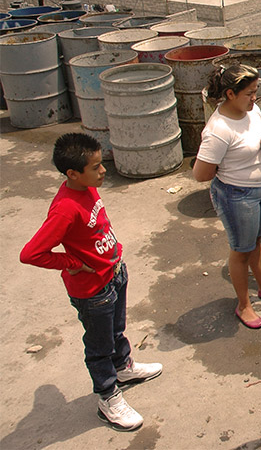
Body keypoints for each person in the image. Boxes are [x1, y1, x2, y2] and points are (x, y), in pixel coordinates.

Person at [20, 133, 163, 432]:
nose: (103, 171)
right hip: (92, 291)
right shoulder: (64, 208)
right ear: (73, 173)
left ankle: (123, 367)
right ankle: (108, 396)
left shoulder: (88, 188)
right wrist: (71, 263)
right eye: (96, 167)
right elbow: (31, 253)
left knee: (116, 331)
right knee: (98, 346)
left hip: (113, 274)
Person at [193, 63, 261, 330]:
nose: (254, 98)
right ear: (230, 94)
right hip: (237, 195)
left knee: (256, 239)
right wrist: (230, 166)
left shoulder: (252, 111)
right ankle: (243, 304)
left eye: (256, 92)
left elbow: (259, 138)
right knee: (241, 250)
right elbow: (201, 173)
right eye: (249, 93)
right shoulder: (219, 129)